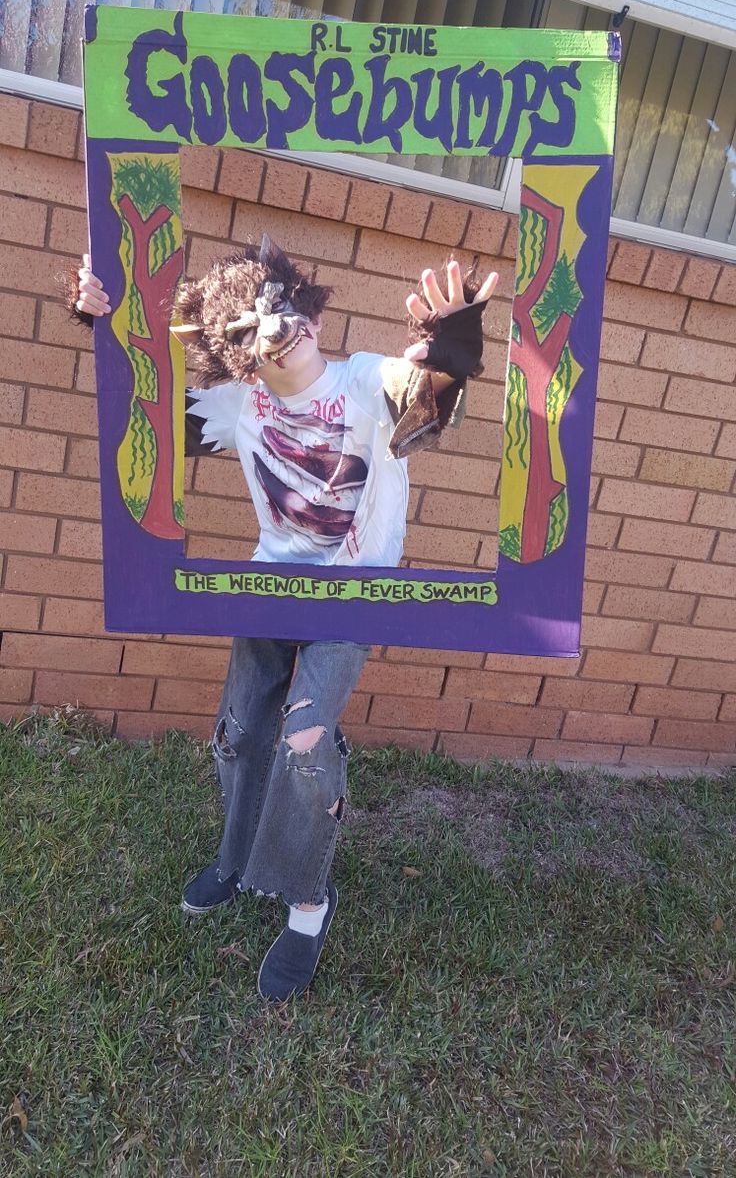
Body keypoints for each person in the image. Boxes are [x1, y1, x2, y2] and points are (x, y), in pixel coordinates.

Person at [71, 235, 497, 1000]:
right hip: (268, 586)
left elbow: (428, 392)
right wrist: (103, 326)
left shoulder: (367, 380)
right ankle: (236, 858)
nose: (277, 326)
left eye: (284, 306)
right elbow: (145, 403)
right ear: (235, 354)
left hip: (354, 592)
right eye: (249, 327)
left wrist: (455, 340)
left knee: (304, 742)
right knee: (242, 730)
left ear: (307, 306)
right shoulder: (241, 404)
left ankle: (307, 904)